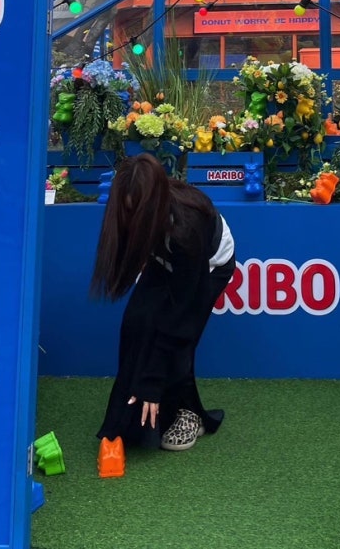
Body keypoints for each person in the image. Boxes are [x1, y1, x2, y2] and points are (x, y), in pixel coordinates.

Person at [90, 153, 236, 471]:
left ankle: (188, 413)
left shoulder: (187, 227)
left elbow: (181, 317)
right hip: (166, 254)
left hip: (209, 264)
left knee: (179, 337)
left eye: (136, 210)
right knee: (136, 322)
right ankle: (127, 418)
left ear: (153, 204)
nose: (130, 217)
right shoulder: (142, 212)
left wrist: (151, 382)